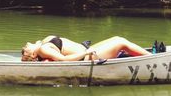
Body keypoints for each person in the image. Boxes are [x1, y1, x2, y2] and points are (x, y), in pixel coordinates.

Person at [21, 35, 151, 62]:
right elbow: (64, 60)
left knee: (117, 38)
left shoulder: (42, 44)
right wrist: (87, 52)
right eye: (25, 49)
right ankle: (152, 59)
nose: (25, 44)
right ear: (32, 54)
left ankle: (147, 56)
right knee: (121, 42)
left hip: (87, 49)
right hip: (88, 55)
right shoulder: (43, 50)